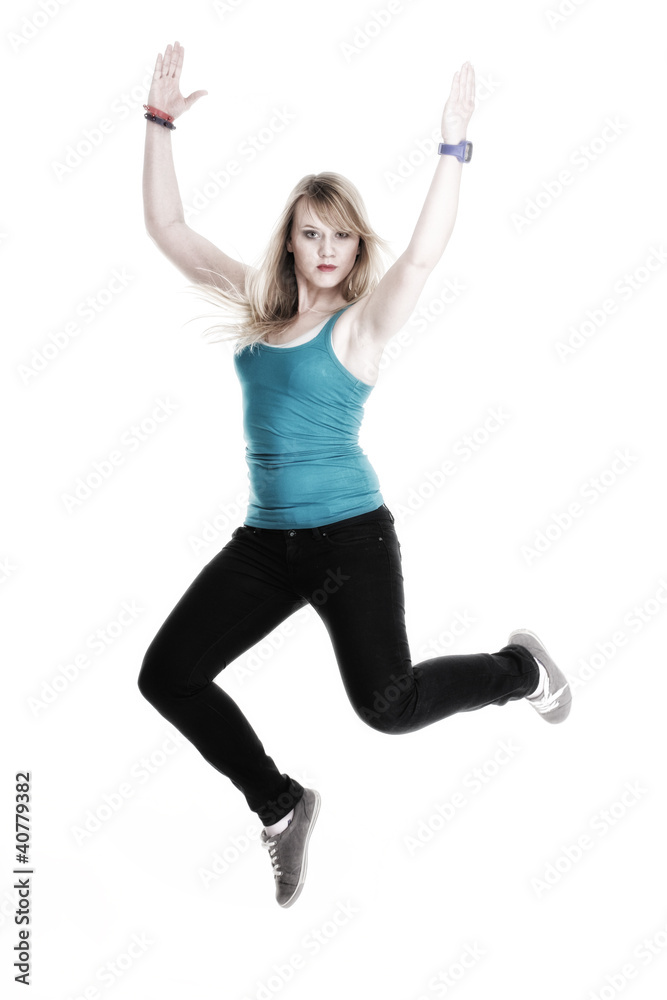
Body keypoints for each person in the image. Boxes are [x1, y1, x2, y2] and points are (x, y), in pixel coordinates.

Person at [137, 41, 572, 909]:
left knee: (390, 704)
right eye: (311, 233)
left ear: (350, 244)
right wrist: (157, 123)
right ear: (291, 243)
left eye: (339, 234)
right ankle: (279, 804)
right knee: (168, 675)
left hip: (349, 538)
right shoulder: (257, 309)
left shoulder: (360, 325)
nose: (326, 248)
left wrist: (452, 148)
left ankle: (517, 671)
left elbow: (417, 260)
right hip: (265, 544)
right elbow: (171, 230)